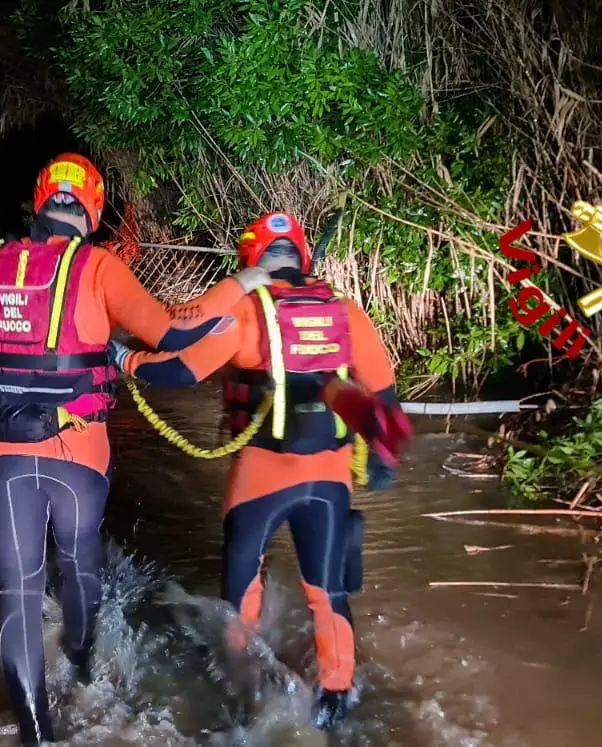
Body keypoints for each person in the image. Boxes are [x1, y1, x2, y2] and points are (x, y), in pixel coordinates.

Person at [0, 153, 273, 745]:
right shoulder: (98, 266)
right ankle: (84, 665)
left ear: (39, 202)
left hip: (1, 452)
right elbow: (171, 331)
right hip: (77, 452)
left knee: (18, 587)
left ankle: (35, 731)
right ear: (92, 209)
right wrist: (241, 285)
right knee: (78, 561)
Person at [107, 211, 412, 728]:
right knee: (329, 590)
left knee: (243, 581)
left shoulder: (249, 311)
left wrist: (123, 360)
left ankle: (242, 691)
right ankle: (336, 698)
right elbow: (385, 397)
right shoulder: (345, 311)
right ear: (303, 256)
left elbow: (180, 369)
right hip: (330, 476)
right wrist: (383, 458)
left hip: (262, 475)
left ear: (252, 258)